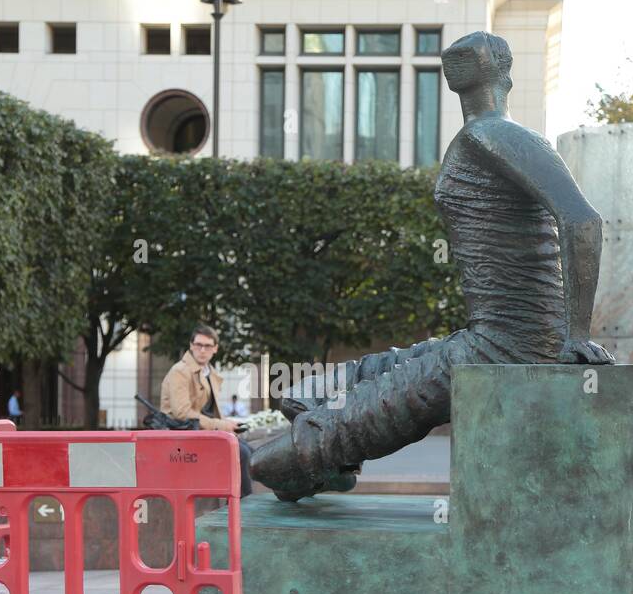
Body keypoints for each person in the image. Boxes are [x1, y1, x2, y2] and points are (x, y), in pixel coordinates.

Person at [251, 31, 612, 501]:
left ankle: (297, 457)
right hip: (497, 334)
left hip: (516, 343)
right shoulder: (484, 137)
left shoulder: (495, 136)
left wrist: (576, 335)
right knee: (383, 369)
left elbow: (583, 220)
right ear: (506, 73)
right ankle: (316, 413)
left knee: (387, 403)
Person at [160, 325, 252, 497]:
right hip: (183, 436)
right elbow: (182, 413)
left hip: (201, 432)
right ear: (191, 345)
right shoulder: (180, 371)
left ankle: (237, 509)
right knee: (242, 454)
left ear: (215, 348)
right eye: (198, 345)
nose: (202, 350)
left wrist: (229, 426)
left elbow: (212, 411)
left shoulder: (210, 373)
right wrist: (222, 425)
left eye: (207, 346)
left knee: (251, 452)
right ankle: (240, 511)